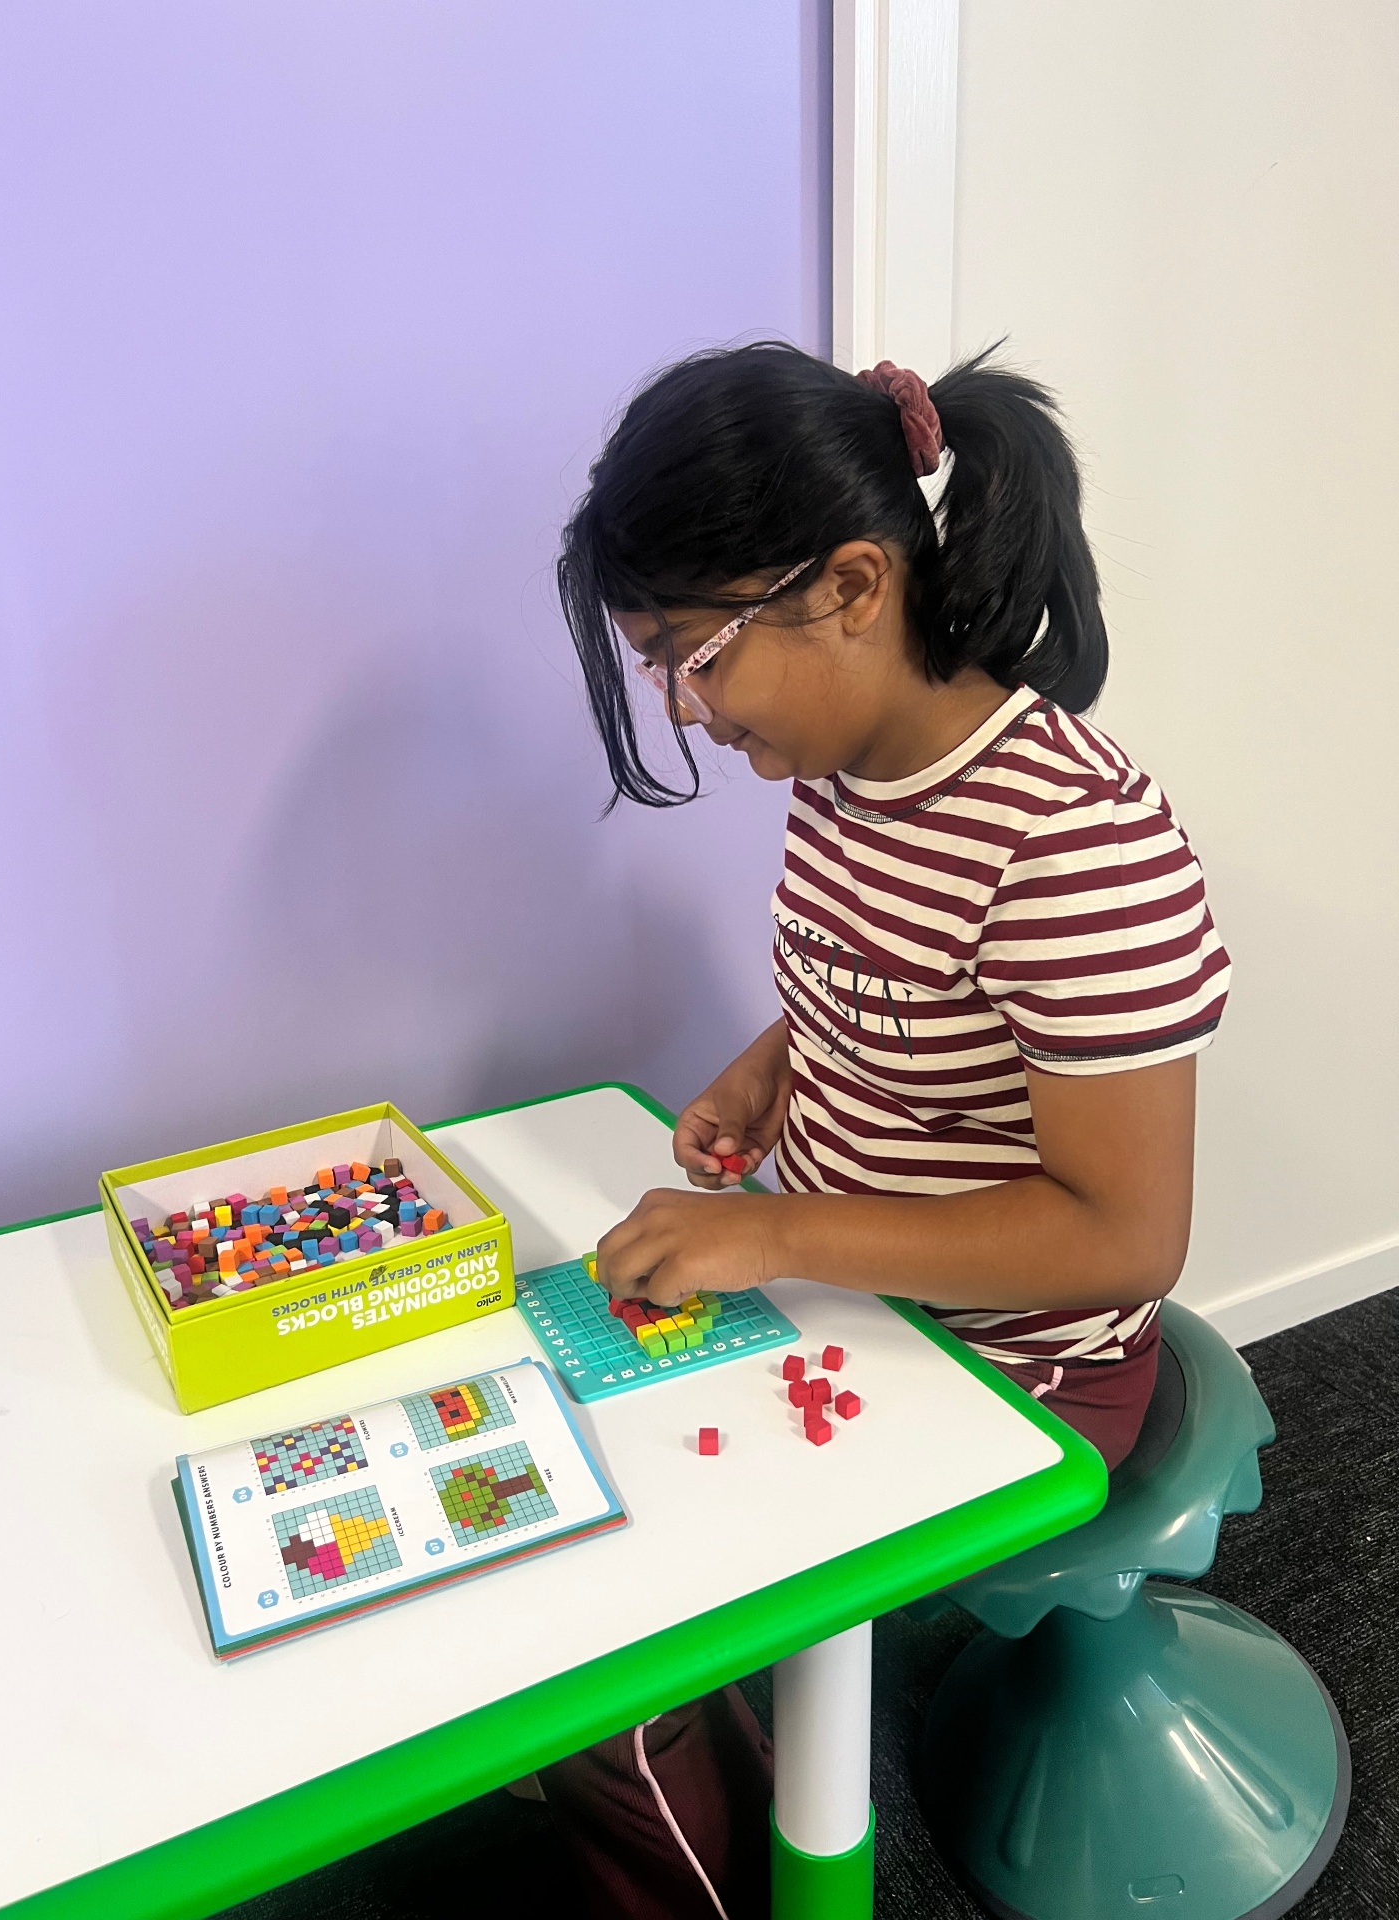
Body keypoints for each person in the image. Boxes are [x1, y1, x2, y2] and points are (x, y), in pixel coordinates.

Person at [533, 342, 1231, 1919]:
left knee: (621, 1647)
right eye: (656, 667)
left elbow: (1125, 1234)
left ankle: (749, 1818)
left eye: (694, 656)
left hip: (1026, 1372)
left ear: (852, 585)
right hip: (868, 1305)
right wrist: (770, 1068)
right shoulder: (843, 771)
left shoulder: (1071, 848)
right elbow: (878, 985)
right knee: (583, 1466)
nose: (685, 706)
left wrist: (775, 1230)